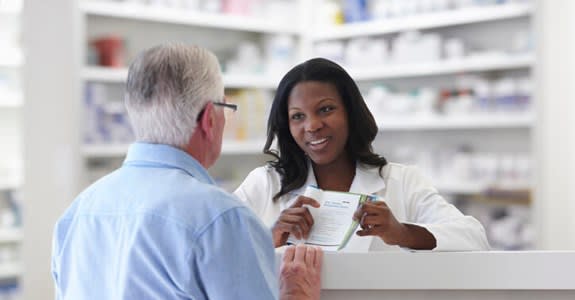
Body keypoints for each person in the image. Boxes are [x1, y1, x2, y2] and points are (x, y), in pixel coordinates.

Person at [51, 43, 322, 300]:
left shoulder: (78, 212)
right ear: (209, 119)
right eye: (225, 109)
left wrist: (255, 245)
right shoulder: (220, 217)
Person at [234, 57, 490, 252]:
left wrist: (402, 233)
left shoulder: (400, 182)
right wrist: (272, 237)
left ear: (350, 112)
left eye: (325, 109)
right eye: (298, 116)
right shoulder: (265, 184)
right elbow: (214, 256)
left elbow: (474, 238)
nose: (312, 125)